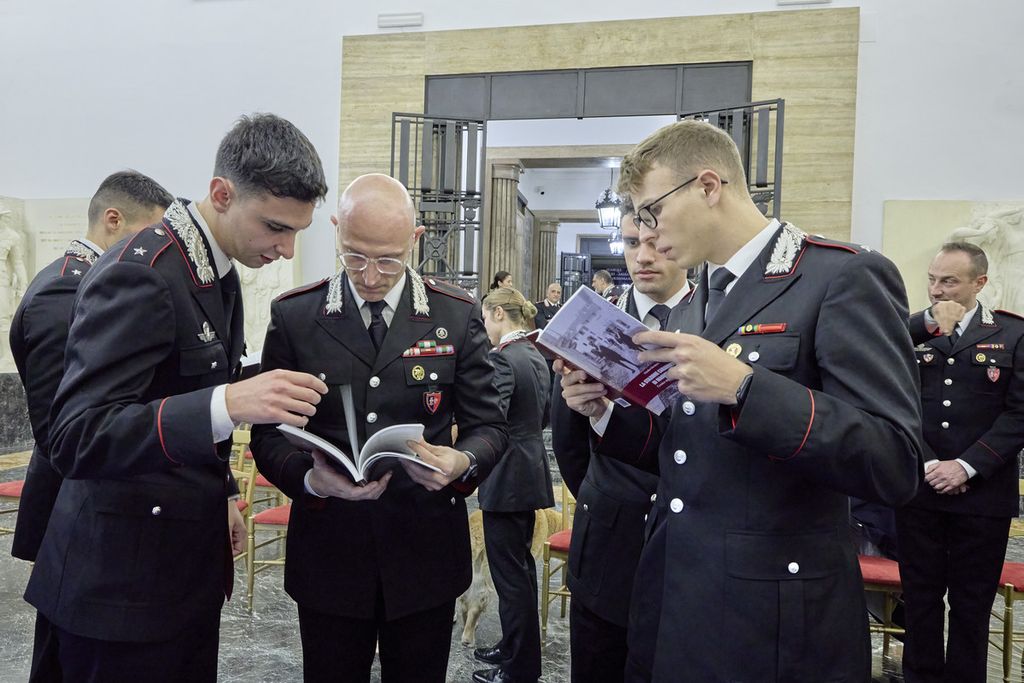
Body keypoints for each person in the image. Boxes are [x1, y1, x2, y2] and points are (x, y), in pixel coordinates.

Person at [559, 119, 923, 682]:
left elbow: (894, 459)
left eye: (652, 211)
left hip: (771, 617)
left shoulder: (839, 276)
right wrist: (605, 410)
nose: (647, 233)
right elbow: (689, 449)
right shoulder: (698, 298)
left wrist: (747, 388)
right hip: (674, 594)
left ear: (708, 186)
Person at [24, 113, 331, 683]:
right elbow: (76, 435)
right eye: (275, 227)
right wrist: (230, 404)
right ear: (222, 193)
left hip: (177, 575)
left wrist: (223, 492)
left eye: (297, 232)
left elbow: (178, 389)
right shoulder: (143, 273)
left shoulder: (216, 270)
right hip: (118, 592)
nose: (287, 250)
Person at [249, 173, 508, 683]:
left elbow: (490, 427)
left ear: (415, 240)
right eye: (354, 256)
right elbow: (269, 433)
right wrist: (309, 478)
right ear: (336, 231)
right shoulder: (297, 316)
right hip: (330, 551)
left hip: (424, 551)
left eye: (388, 260)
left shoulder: (454, 314)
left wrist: (461, 461)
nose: (370, 276)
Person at [9, 170, 173, 681]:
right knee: (64, 661)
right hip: (73, 509)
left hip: (92, 507)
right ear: (113, 220)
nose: (154, 250)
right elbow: (59, 431)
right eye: (149, 234)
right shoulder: (66, 289)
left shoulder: (93, 280)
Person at [550, 205, 689, 683]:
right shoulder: (588, 323)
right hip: (609, 544)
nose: (642, 256)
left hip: (690, 545)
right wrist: (604, 492)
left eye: (655, 242)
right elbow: (568, 446)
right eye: (631, 243)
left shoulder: (716, 318)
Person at [895, 241, 1024, 683]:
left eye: (949, 281)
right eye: (932, 279)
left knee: (972, 605)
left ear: (979, 283)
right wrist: (931, 463)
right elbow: (893, 398)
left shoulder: (1012, 334)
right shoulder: (910, 331)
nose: (936, 290)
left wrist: (965, 466)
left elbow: (1019, 414)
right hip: (920, 488)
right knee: (920, 599)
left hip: (982, 495)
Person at [473, 286, 554, 683]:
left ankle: (519, 669)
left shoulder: (503, 358)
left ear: (498, 314)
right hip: (529, 468)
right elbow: (544, 415)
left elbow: (494, 418)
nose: (484, 327)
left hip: (507, 476)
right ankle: (513, 648)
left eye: (484, 318)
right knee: (521, 571)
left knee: (510, 578)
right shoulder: (534, 353)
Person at [0, 204, 29, 363]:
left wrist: (23, 284)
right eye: (4, 216)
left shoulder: (12, 236)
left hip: (1, 279)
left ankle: (7, 354)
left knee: (2, 317)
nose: (6, 219)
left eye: (7, 216)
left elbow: (17, 262)